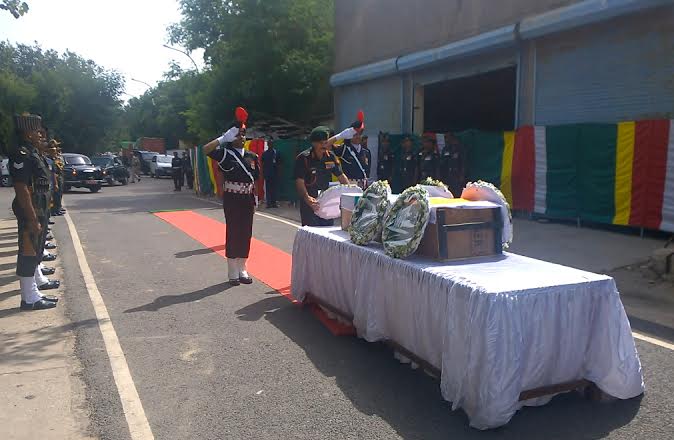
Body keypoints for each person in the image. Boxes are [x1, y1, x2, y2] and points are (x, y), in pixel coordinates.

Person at [202, 112, 259, 286]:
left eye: (243, 134)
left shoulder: (252, 156)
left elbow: (255, 179)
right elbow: (205, 150)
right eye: (237, 134)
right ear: (231, 135)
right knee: (233, 232)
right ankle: (232, 269)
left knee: (246, 232)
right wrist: (222, 138)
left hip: (247, 198)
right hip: (232, 197)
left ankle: (243, 267)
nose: (241, 137)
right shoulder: (225, 154)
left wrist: (256, 198)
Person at [9, 114, 59, 310]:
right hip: (30, 209)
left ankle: (34, 292)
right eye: (37, 131)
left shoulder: (32, 152)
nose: (40, 134)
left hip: (39, 207)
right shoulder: (21, 153)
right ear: (27, 133)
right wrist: (31, 218)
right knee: (28, 251)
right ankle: (28, 298)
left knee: (35, 249)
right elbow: (21, 188)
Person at [294, 125, 350, 227]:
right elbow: (299, 182)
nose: (324, 146)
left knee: (327, 231)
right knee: (311, 232)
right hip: (310, 203)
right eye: (321, 143)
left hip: (326, 203)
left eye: (325, 142)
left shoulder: (330, 157)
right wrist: (307, 198)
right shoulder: (304, 158)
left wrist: (351, 193)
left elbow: (341, 176)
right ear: (313, 143)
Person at [334, 122, 368, 188]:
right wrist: (340, 136)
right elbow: (326, 145)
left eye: (360, 134)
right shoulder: (343, 149)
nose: (358, 136)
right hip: (349, 186)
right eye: (355, 134)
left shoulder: (366, 151)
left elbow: (367, 172)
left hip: (363, 186)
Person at [261, 139, 281, 208]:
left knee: (274, 189)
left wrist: (278, 172)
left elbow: (279, 163)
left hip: (274, 173)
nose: (270, 145)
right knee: (269, 189)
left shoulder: (276, 153)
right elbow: (262, 163)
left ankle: (273, 203)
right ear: (268, 145)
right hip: (268, 173)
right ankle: (269, 203)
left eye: (271, 144)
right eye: (269, 144)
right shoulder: (265, 153)